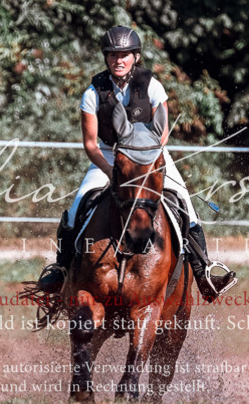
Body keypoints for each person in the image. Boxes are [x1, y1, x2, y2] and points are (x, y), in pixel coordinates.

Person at [36, 25, 236, 298]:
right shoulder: (93, 93)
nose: (118, 60)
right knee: (77, 206)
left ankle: (204, 274)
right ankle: (60, 270)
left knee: (184, 203)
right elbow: (91, 144)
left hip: (151, 155)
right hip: (109, 157)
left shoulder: (152, 86)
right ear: (106, 58)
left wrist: (144, 163)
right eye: (112, 55)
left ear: (136, 57)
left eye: (124, 55)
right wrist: (114, 171)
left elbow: (162, 133)